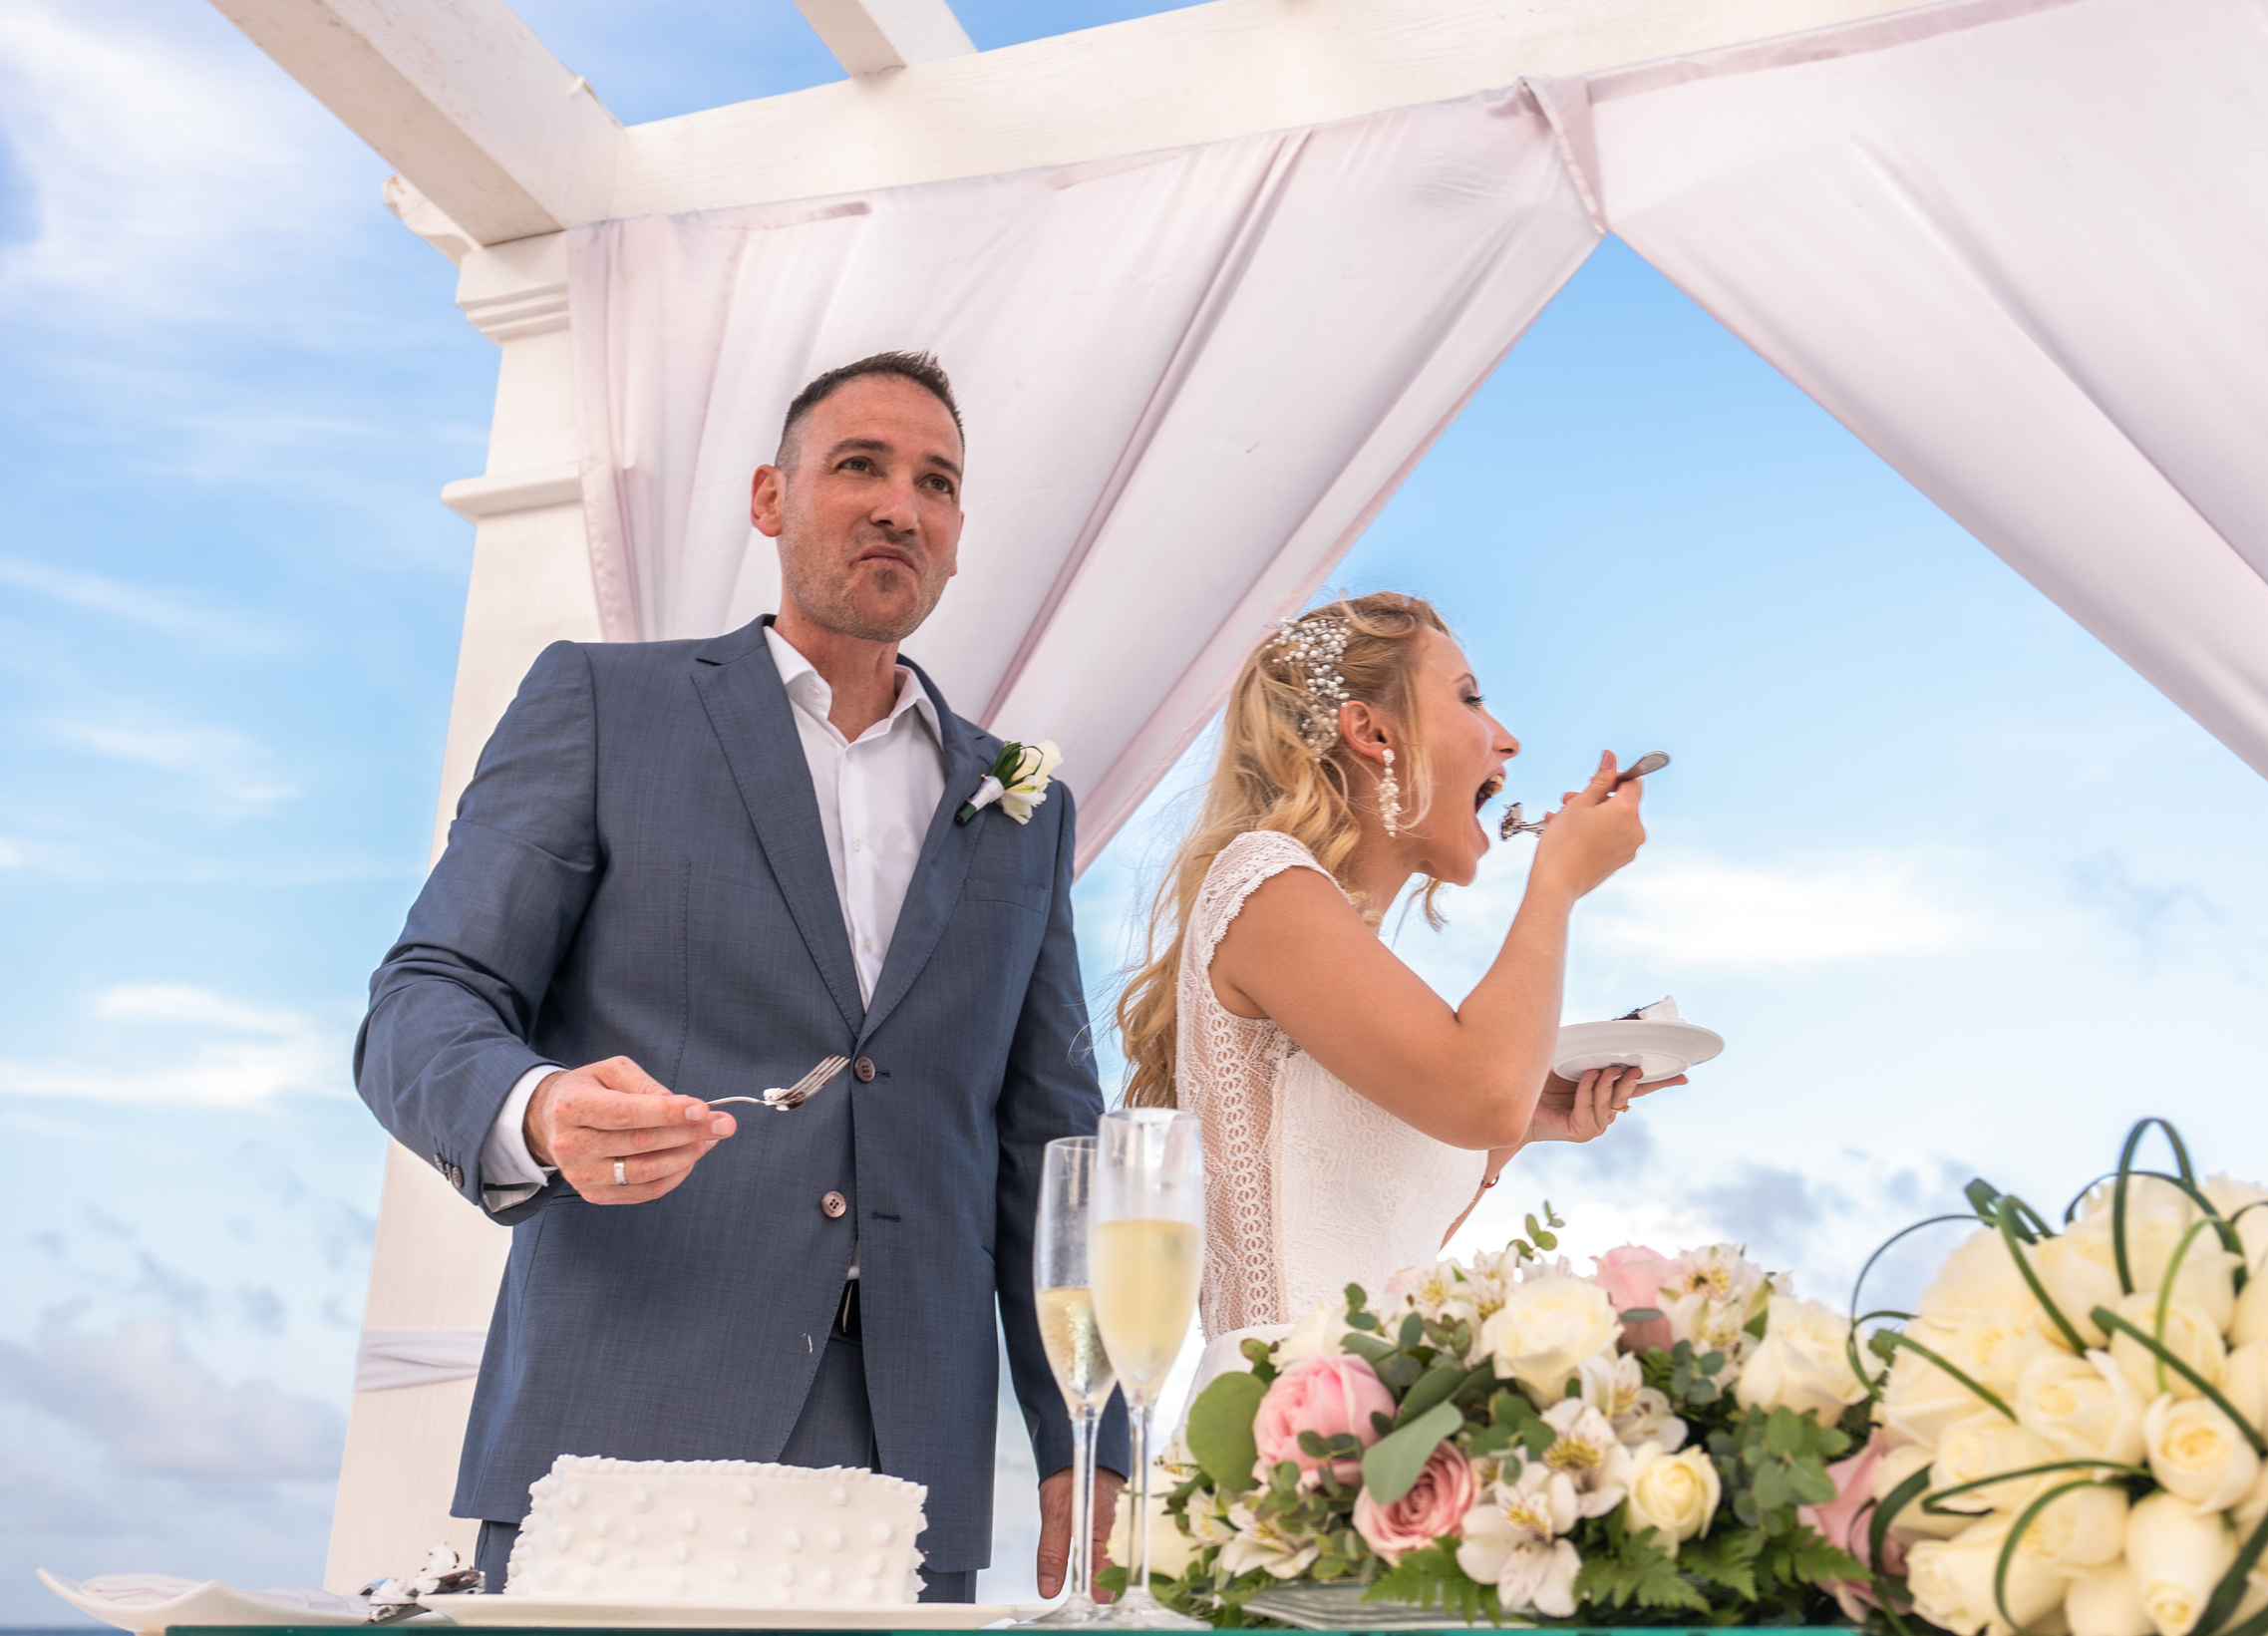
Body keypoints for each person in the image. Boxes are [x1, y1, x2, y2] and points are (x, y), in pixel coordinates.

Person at [356, 352, 1124, 1603]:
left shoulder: (1021, 805)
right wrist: (538, 1111)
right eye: (859, 466)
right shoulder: (605, 705)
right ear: (770, 498)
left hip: (907, 1478)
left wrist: (1082, 1440)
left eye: (935, 482)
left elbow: (1050, 1149)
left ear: (958, 530)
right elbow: (426, 996)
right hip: (618, 1438)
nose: (899, 505)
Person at [1115, 592, 1674, 1386]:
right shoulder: (1264, 879)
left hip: (1362, 1408)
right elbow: (1479, 1092)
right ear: (1371, 731)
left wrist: (1516, 1124)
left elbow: (1379, 1264)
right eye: (1471, 698)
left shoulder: (1330, 941)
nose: (1507, 739)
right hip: (1274, 1413)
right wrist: (1558, 880)